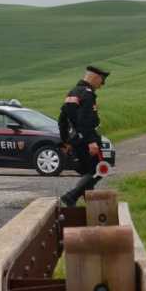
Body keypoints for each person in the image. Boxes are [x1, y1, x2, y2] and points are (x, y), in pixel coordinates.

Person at [58, 65, 110, 207]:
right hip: (87, 139)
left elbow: (62, 119)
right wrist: (91, 142)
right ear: (95, 77)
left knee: (88, 172)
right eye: (102, 81)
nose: (101, 85)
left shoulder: (72, 93)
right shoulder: (87, 94)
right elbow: (85, 120)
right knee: (100, 169)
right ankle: (71, 196)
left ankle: (91, 205)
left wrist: (65, 141)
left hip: (75, 140)